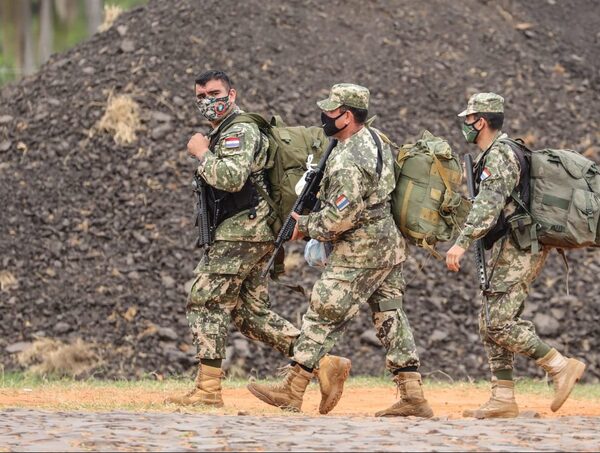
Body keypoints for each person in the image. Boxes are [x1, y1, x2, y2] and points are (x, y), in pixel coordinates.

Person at [165, 70, 350, 410]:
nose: (209, 101)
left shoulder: (240, 130)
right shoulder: (225, 130)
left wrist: (202, 153)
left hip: (244, 230)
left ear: (232, 95)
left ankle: (207, 390)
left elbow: (232, 178)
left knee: (204, 299)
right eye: (202, 96)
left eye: (215, 93)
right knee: (249, 314)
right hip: (251, 230)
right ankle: (323, 363)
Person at [247, 83, 433, 417]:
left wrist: (303, 226)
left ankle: (292, 388)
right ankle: (413, 395)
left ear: (347, 116)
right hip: (386, 243)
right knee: (389, 313)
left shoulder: (349, 160)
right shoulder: (373, 138)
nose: (325, 116)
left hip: (363, 246)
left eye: (331, 111)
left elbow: (339, 218)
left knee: (323, 306)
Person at [446, 92, 586, 418]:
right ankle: (503, 398)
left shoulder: (500, 157)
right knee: (489, 320)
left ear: (480, 121)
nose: (465, 126)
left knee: (498, 322)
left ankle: (559, 365)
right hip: (511, 246)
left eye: (469, 120)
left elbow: (488, 205)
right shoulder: (499, 153)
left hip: (521, 247)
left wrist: (461, 242)